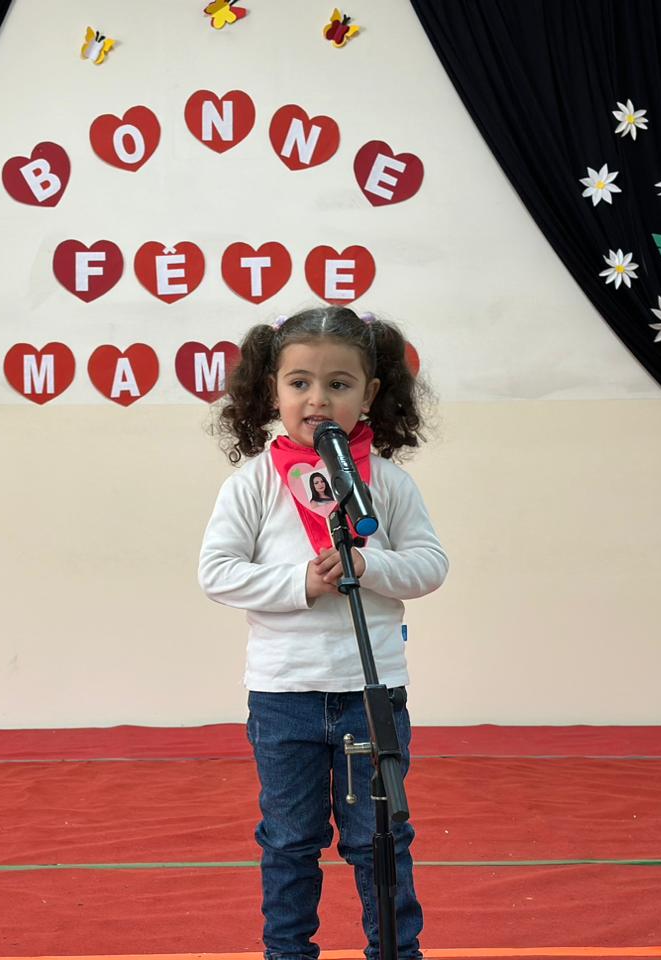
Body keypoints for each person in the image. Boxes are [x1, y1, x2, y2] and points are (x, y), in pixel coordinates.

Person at [198, 306, 448, 960]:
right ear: (271, 391)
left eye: (338, 384)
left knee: (379, 839)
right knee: (289, 840)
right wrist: (299, 582)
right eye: (300, 383)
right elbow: (217, 573)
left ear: (369, 394)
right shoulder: (252, 484)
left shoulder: (385, 483)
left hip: (372, 694)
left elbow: (430, 565)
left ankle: (395, 951)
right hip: (285, 696)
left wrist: (369, 565)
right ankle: (288, 953)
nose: (317, 399)